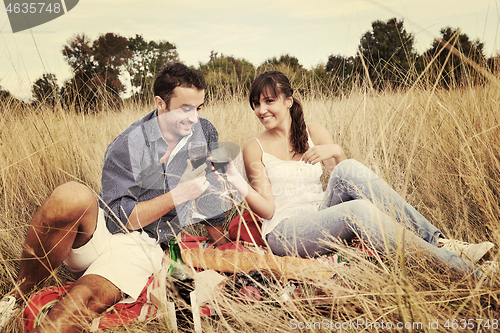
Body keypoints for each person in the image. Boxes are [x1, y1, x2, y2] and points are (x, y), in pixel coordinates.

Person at [0, 62, 230, 332]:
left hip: (140, 244)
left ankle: (85, 289)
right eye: (185, 109)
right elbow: (122, 218)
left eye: (199, 107)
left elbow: (210, 183)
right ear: (160, 103)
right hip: (104, 231)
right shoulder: (129, 143)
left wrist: (222, 241)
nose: (194, 118)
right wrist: (178, 195)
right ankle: (16, 296)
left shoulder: (204, 132)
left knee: (72, 309)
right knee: (70, 194)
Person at [222, 70, 494, 275]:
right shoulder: (254, 148)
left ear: (288, 101)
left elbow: (345, 178)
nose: (261, 110)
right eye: (256, 103)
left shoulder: (313, 132)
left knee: (349, 166)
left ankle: (441, 242)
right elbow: (267, 210)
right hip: (286, 231)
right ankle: (465, 270)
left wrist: (337, 152)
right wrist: (235, 179)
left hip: (321, 213)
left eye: (269, 101)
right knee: (360, 211)